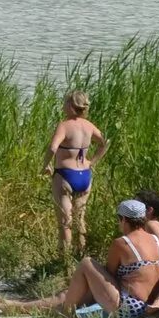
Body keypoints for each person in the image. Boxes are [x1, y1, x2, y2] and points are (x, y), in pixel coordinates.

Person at [0, 197, 159, 318]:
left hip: (131, 307)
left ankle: (65, 311)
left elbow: (110, 274)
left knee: (86, 264)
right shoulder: (157, 241)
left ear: (123, 219)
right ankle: (18, 306)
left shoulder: (123, 243)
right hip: (152, 303)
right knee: (69, 294)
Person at [42, 90, 107, 259]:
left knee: (65, 221)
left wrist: (45, 165)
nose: (63, 106)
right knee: (80, 218)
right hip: (85, 175)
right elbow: (103, 143)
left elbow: (52, 148)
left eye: (64, 103)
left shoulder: (64, 125)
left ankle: (64, 261)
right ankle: (81, 257)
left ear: (71, 106)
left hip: (65, 174)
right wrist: (92, 162)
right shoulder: (89, 126)